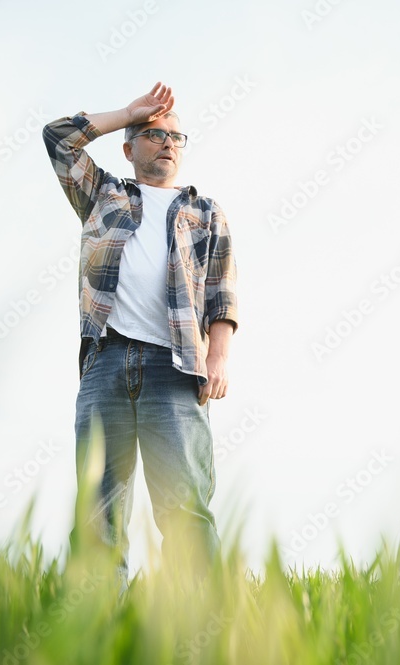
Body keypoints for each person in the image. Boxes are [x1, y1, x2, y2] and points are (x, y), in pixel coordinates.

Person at [42, 82, 239, 596]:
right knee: (98, 508)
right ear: (129, 148)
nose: (167, 142)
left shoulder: (206, 210)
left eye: (175, 135)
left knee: (184, 505)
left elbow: (222, 291)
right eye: (153, 133)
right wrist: (127, 112)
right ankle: (94, 630)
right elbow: (59, 138)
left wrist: (217, 356)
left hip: (175, 368)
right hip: (105, 363)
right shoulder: (102, 195)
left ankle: (201, 631)